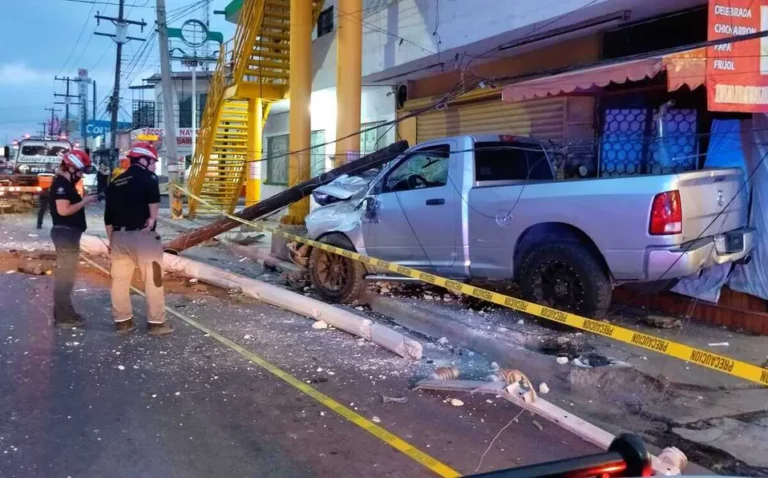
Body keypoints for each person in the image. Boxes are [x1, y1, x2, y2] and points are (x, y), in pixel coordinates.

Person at [104, 142, 172, 336]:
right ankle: (156, 323)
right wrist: (150, 223)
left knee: (119, 281)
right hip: (144, 238)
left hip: (118, 237)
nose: (154, 166)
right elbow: (153, 209)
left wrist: (112, 241)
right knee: (154, 279)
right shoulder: (149, 178)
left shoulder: (115, 182)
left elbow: (108, 218)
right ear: (144, 159)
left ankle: (123, 322)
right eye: (153, 162)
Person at [50, 149, 98, 328]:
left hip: (68, 234)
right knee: (65, 278)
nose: (79, 176)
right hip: (66, 234)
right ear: (70, 168)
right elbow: (63, 210)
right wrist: (84, 202)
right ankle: (64, 317)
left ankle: (63, 313)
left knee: (66, 276)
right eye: (79, 172)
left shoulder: (64, 184)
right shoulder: (62, 185)